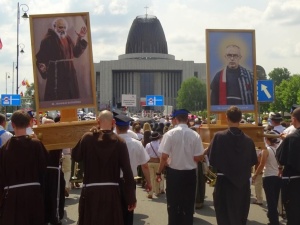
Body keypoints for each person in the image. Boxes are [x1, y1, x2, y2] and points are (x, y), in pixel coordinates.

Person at [72, 110, 136, 225]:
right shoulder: (119, 141)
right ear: (113, 122)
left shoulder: (87, 138)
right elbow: (127, 171)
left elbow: (75, 156)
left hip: (91, 192)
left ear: (97, 121)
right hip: (112, 193)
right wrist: (131, 198)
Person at [209, 106, 257, 225]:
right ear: (241, 118)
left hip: (224, 182)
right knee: (240, 216)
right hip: (242, 184)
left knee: (223, 216)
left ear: (227, 118)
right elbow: (252, 161)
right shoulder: (249, 140)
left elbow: (212, 159)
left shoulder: (219, 137)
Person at [156, 109, 204, 225]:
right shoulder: (195, 135)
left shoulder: (169, 134)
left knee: (173, 204)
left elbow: (164, 156)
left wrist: (159, 171)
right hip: (189, 174)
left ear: (176, 120)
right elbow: (199, 157)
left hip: (174, 174)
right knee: (188, 206)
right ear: (187, 120)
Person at [0, 110, 48, 225]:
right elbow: (44, 170)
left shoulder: (5, 149)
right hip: (34, 195)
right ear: (29, 124)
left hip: (12, 198)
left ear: (12, 125)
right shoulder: (36, 144)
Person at [36, 17, 88, 101]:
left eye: (64, 27)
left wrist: (80, 38)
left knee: (71, 96)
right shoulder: (48, 40)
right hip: (56, 74)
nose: (62, 29)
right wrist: (43, 67)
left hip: (70, 74)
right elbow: (40, 58)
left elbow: (76, 53)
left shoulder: (68, 38)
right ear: (54, 27)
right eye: (60, 27)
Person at [114, 114, 152, 225]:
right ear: (128, 127)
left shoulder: (111, 143)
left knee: (114, 214)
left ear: (116, 127)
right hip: (129, 183)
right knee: (128, 213)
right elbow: (145, 165)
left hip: (113, 182)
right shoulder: (136, 144)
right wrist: (148, 182)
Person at [276, 107, 300, 225]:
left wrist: (285, 141)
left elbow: (281, 158)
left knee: (293, 216)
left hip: (294, 183)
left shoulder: (291, 138)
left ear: (294, 119)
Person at [253, 131, 281, 225]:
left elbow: (262, 164)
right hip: (278, 176)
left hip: (269, 176)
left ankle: (274, 221)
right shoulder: (278, 148)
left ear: (266, 139)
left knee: (270, 200)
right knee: (275, 199)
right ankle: (272, 216)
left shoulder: (266, 150)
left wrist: (255, 174)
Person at [145, 131, 163, 199]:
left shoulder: (148, 145)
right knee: (157, 177)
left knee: (151, 178)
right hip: (157, 162)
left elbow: (145, 154)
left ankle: (150, 193)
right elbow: (160, 155)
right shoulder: (159, 145)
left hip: (150, 162)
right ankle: (157, 191)